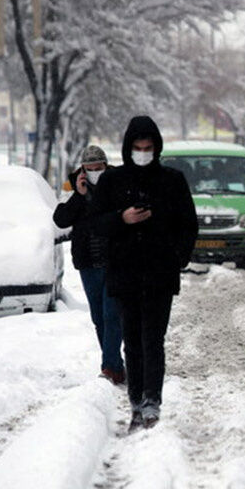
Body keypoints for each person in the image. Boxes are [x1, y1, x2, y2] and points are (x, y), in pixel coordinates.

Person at [89, 116, 198, 430]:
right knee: (132, 341)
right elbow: (95, 223)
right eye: (137, 148)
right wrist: (122, 218)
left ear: (156, 148)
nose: (142, 153)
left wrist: (177, 256)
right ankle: (136, 401)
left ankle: (152, 402)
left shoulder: (172, 181)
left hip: (160, 273)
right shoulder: (112, 181)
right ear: (127, 148)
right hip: (124, 273)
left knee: (154, 339)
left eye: (148, 148)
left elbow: (188, 224)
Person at [53, 145, 125, 384]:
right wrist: (79, 194)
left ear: (106, 166)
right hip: (88, 262)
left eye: (99, 168)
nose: (95, 172)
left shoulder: (118, 182)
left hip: (115, 260)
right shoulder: (73, 186)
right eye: (90, 169)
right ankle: (115, 364)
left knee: (111, 313)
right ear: (83, 169)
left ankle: (109, 368)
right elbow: (61, 219)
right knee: (99, 317)